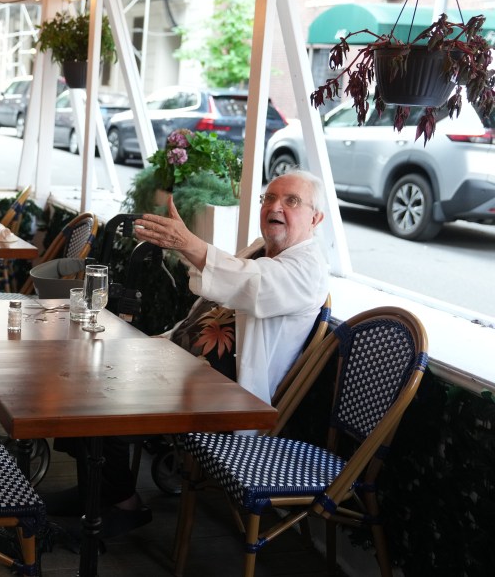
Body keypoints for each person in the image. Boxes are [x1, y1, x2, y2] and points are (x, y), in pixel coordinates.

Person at [46, 169, 330, 536]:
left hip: (226, 393)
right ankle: (93, 491)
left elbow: (252, 284)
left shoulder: (309, 268)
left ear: (316, 217)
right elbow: (219, 284)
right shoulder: (263, 250)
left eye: (291, 201)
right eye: (269, 198)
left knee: (101, 391)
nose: (275, 206)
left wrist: (190, 244)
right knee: (85, 361)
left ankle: (121, 504)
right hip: (184, 365)